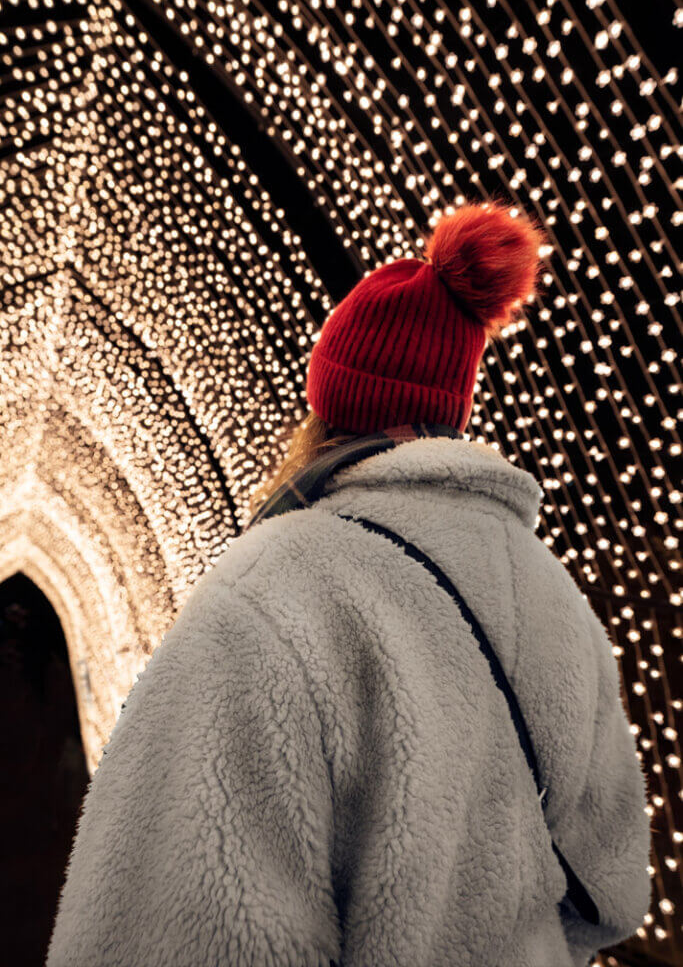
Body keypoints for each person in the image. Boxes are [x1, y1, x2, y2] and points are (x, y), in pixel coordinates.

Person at [46, 200, 652, 966]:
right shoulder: (556, 601)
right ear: (452, 409)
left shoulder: (273, 589)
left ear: (333, 401)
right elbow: (611, 887)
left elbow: (178, 918)